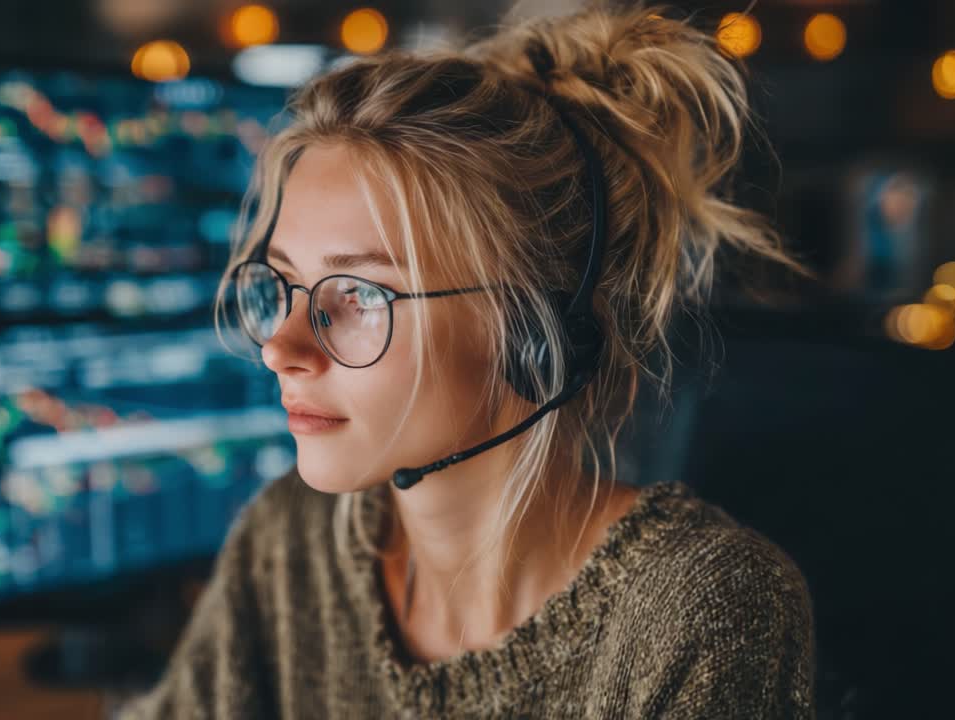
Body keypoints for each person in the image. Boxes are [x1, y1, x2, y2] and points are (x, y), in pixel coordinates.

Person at [118, 3, 815, 718]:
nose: (280, 347)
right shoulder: (290, 540)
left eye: (360, 292)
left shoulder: (701, 610)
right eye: (285, 283)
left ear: (533, 331)